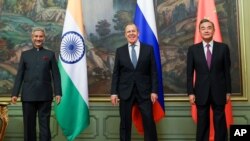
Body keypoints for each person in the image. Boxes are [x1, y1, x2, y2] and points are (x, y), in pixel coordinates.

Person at [11, 27, 62, 141]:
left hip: (45, 96)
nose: (38, 39)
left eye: (40, 36)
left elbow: (56, 75)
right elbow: (19, 75)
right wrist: (15, 94)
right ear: (32, 37)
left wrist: (58, 92)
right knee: (29, 127)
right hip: (28, 96)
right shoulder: (25, 55)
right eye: (36, 36)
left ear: (44, 38)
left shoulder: (50, 54)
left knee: (44, 127)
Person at [110, 23, 158, 141]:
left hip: (145, 92)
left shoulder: (148, 49)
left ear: (138, 33)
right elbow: (116, 73)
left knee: (149, 122)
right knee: (125, 124)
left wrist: (154, 91)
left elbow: (153, 72)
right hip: (125, 92)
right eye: (128, 32)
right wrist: (113, 93)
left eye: (133, 31)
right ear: (125, 35)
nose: (131, 33)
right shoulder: (120, 51)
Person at [187, 19, 231, 141]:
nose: (206, 30)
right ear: (200, 31)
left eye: (209, 27)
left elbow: (227, 71)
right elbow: (189, 74)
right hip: (201, 92)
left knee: (220, 123)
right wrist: (190, 92)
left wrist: (228, 91)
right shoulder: (193, 50)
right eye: (203, 28)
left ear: (214, 30)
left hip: (219, 91)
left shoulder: (223, 48)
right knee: (202, 124)